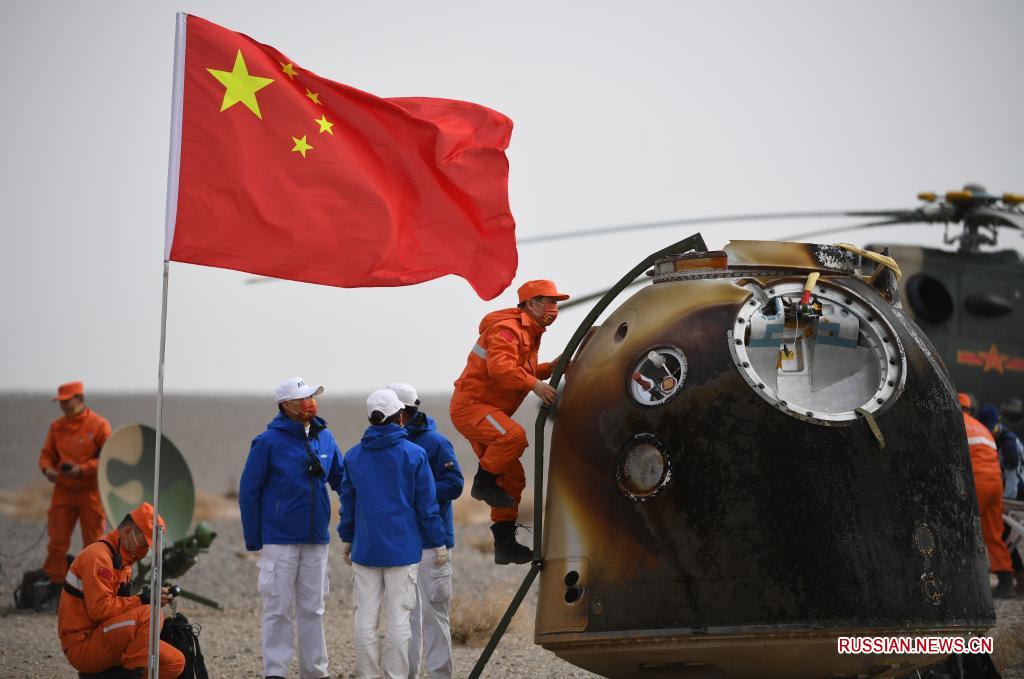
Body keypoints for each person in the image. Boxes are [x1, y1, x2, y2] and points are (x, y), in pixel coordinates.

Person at [449, 279, 568, 564]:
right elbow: (500, 368)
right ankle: (483, 482)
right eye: (549, 302)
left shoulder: (530, 332)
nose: (553, 308)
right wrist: (535, 385)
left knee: (512, 479)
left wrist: (551, 368)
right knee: (512, 436)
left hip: (489, 411)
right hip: (472, 407)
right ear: (531, 304)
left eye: (555, 303)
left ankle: (504, 544)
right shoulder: (508, 329)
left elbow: (520, 369)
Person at [340, 389, 448, 679]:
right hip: (402, 550)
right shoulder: (414, 454)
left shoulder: (354, 456)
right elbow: (426, 506)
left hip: (366, 549)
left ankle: (367, 675)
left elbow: (348, 503)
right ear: (400, 416)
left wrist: (347, 538)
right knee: (399, 619)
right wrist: (438, 542)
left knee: (365, 619)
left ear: (371, 418)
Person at [239, 377, 343, 679]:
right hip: (279, 539)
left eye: (312, 397)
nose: (310, 403)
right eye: (302, 399)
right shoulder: (267, 443)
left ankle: (315, 672)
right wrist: (254, 539)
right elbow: (249, 491)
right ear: (285, 405)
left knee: (314, 608)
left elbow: (343, 480)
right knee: (278, 608)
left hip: (316, 539)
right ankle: (276, 672)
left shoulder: (326, 437)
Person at [387, 383, 463, 679]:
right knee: (406, 614)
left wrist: (420, 495)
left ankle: (440, 675)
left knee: (434, 613)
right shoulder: (389, 443)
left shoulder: (436, 443)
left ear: (402, 412)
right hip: (402, 541)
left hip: (433, 543)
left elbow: (454, 484)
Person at [57, 502, 184, 678]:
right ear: (127, 532)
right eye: (144, 545)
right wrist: (142, 600)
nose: (145, 551)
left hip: (105, 635)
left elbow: (118, 610)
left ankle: (114, 674)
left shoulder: (122, 562)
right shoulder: (99, 557)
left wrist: (151, 599)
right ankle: (129, 674)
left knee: (175, 662)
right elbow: (99, 610)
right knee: (151, 615)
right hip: (84, 645)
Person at [38, 380, 112, 585]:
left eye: (66, 400)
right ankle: (55, 585)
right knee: (57, 542)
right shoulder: (56, 427)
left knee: (94, 543)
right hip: (63, 491)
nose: (62, 405)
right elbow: (46, 455)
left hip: (90, 492)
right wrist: (47, 470)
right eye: (60, 401)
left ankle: (93, 586)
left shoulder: (99, 425)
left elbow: (108, 458)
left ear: (79, 398)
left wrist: (82, 469)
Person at [960, 393, 1015, 598]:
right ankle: (1006, 582)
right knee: (993, 533)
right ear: (970, 409)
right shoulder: (982, 428)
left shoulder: (955, 424)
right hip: (995, 485)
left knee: (962, 530)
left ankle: (967, 583)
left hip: (977, 483)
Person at [977, 402, 1024, 595]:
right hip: (1010, 490)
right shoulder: (1000, 438)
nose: (989, 431)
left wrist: (1004, 501)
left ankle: (1019, 579)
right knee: (1004, 534)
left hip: (1017, 492)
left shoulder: (1008, 443)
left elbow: (1013, 477)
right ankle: (1019, 579)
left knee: (1003, 533)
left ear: (999, 422)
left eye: (991, 427)